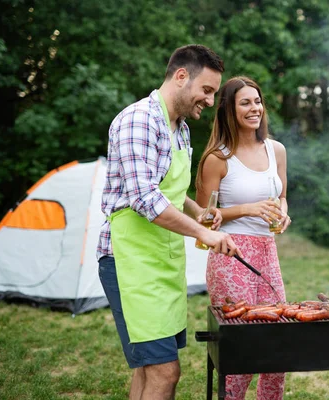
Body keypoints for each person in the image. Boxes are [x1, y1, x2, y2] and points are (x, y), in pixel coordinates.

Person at [97, 45, 242, 400]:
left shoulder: (180, 129)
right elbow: (145, 199)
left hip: (160, 260)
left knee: (148, 370)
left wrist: (197, 211)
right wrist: (204, 232)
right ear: (181, 76)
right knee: (166, 372)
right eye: (206, 90)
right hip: (130, 261)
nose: (210, 101)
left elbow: (168, 192)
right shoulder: (139, 120)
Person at [195, 76, 291, 400]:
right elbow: (205, 218)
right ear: (229, 110)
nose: (255, 109)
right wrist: (246, 209)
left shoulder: (276, 150)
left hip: (268, 250)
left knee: (276, 348)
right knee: (242, 351)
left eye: (258, 101)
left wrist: (283, 213)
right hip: (232, 254)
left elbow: (282, 196)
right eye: (245, 103)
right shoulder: (217, 158)